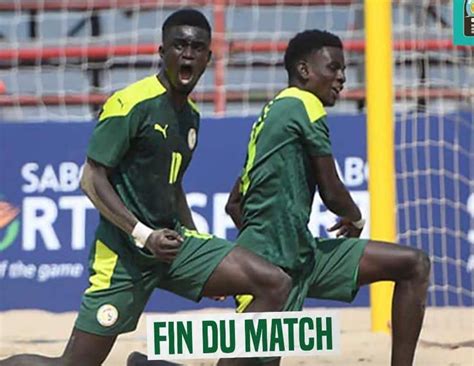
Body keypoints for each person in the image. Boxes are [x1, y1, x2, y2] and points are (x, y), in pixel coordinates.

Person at [0, 9, 291, 366]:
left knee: (274, 283)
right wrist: (143, 234)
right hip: (124, 255)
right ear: (161, 51)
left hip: (172, 246)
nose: (187, 54)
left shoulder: (190, 116)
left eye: (197, 47)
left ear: (208, 58)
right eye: (179, 45)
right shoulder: (130, 103)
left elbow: (173, 184)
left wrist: (203, 253)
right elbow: (91, 179)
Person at [224, 30, 431, 366]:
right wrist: (356, 218)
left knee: (412, 265)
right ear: (304, 71)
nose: (342, 78)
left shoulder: (273, 113)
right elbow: (332, 192)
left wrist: (267, 238)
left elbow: (234, 203)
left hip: (299, 255)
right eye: (333, 68)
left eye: (344, 70)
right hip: (271, 268)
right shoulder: (305, 105)